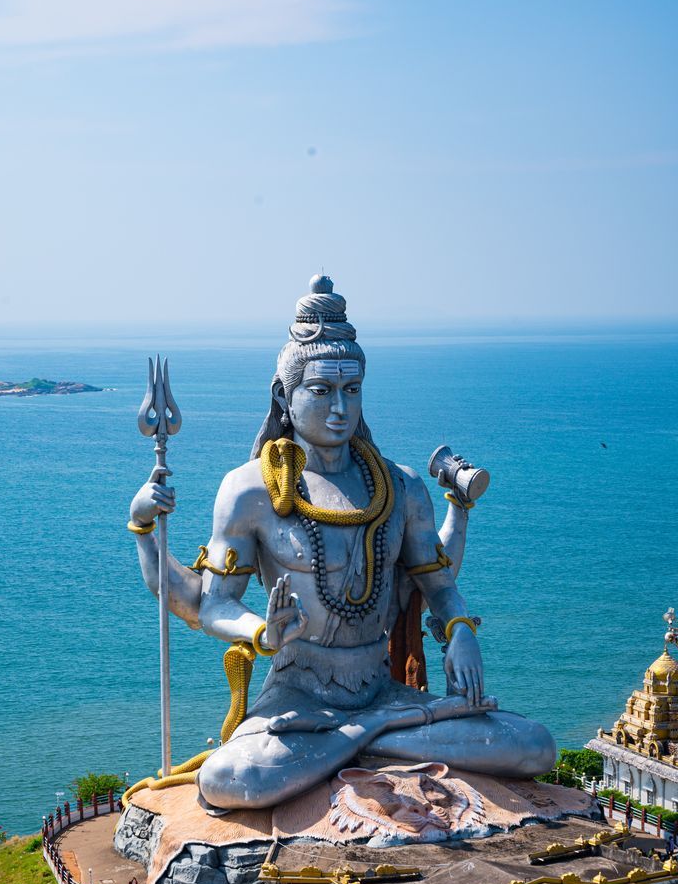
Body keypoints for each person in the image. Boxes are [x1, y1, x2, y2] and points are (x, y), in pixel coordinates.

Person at [129, 274, 556, 813]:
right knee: (232, 777)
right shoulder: (250, 489)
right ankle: (378, 738)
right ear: (285, 394)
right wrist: (261, 631)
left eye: (351, 390)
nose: (339, 409)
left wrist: (461, 632)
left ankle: (359, 737)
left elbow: (439, 586)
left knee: (535, 745)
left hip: (381, 691)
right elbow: (212, 604)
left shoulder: (399, 487)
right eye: (321, 390)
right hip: (298, 697)